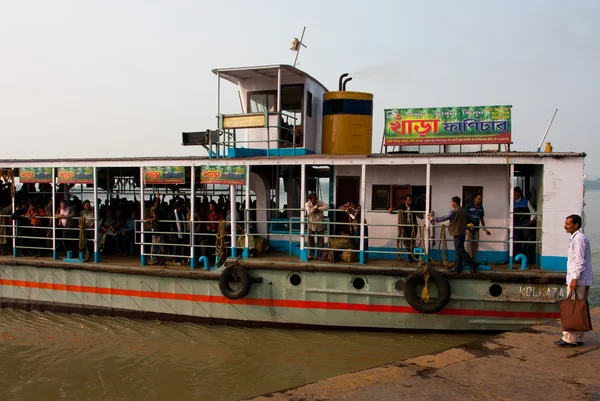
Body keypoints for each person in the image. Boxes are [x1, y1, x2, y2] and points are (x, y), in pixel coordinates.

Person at [556, 214, 594, 347]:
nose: (565, 226)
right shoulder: (578, 238)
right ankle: (578, 337)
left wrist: (574, 278)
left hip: (578, 279)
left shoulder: (578, 239)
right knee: (578, 307)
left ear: (576, 225)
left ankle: (569, 339)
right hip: (581, 279)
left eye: (567, 224)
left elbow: (579, 261)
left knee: (572, 308)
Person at [428, 196, 480, 273]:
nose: (451, 204)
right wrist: (466, 223)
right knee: (458, 250)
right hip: (462, 232)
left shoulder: (454, 212)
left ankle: (473, 265)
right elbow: (471, 218)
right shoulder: (464, 211)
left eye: (452, 202)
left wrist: (433, 219)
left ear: (455, 202)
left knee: (460, 250)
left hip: (457, 232)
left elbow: (445, 217)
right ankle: (457, 268)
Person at [388, 194, 423, 261]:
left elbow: (420, 215)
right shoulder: (401, 206)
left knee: (412, 241)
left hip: (412, 227)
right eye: (409, 200)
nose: (410, 202)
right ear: (405, 201)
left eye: (411, 200)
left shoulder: (414, 206)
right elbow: (394, 210)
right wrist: (390, 210)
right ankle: (411, 256)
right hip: (404, 227)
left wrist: (422, 214)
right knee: (406, 241)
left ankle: (411, 256)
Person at [465, 193, 491, 261]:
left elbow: (481, 218)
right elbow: (464, 216)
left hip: (476, 229)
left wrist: (484, 228)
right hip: (469, 229)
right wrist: (467, 224)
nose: (480, 200)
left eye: (480, 199)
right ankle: (469, 259)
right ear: (474, 198)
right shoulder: (468, 206)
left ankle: (473, 259)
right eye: (478, 198)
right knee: (468, 243)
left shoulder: (481, 207)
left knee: (475, 244)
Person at [513, 186, 536, 260]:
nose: (514, 194)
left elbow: (533, 212)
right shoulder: (511, 202)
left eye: (515, 192)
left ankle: (527, 259)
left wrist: (531, 220)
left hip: (525, 224)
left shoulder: (525, 201)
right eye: (513, 192)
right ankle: (517, 259)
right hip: (516, 225)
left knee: (527, 242)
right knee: (516, 242)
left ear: (519, 193)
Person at [305, 193, 329, 261]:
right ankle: (311, 255)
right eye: (314, 199)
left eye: (316, 199)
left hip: (320, 224)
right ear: (310, 199)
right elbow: (309, 212)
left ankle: (319, 256)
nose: (315, 200)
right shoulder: (307, 204)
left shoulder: (319, 202)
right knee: (310, 240)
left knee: (320, 241)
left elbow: (327, 206)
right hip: (311, 224)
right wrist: (315, 208)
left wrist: (319, 208)